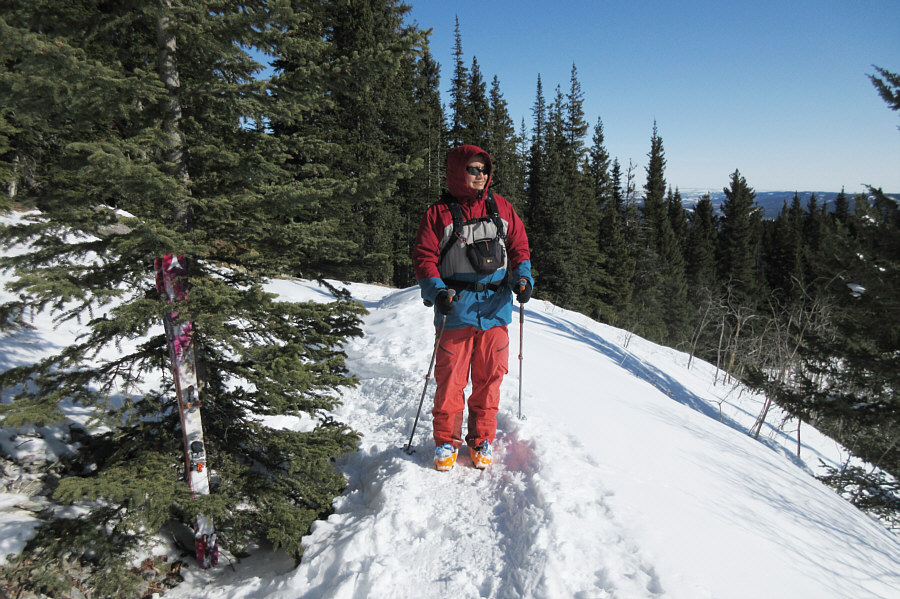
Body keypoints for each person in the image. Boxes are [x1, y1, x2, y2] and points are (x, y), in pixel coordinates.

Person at [413, 144, 533, 471]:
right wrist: (437, 291)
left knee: (490, 377)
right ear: (457, 171)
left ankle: (481, 438)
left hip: (495, 308)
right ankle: (445, 443)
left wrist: (523, 279)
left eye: (483, 169)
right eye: (472, 169)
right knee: (451, 380)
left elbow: (520, 248)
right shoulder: (438, 214)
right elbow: (424, 259)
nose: (479, 176)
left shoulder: (502, 208)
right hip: (456, 309)